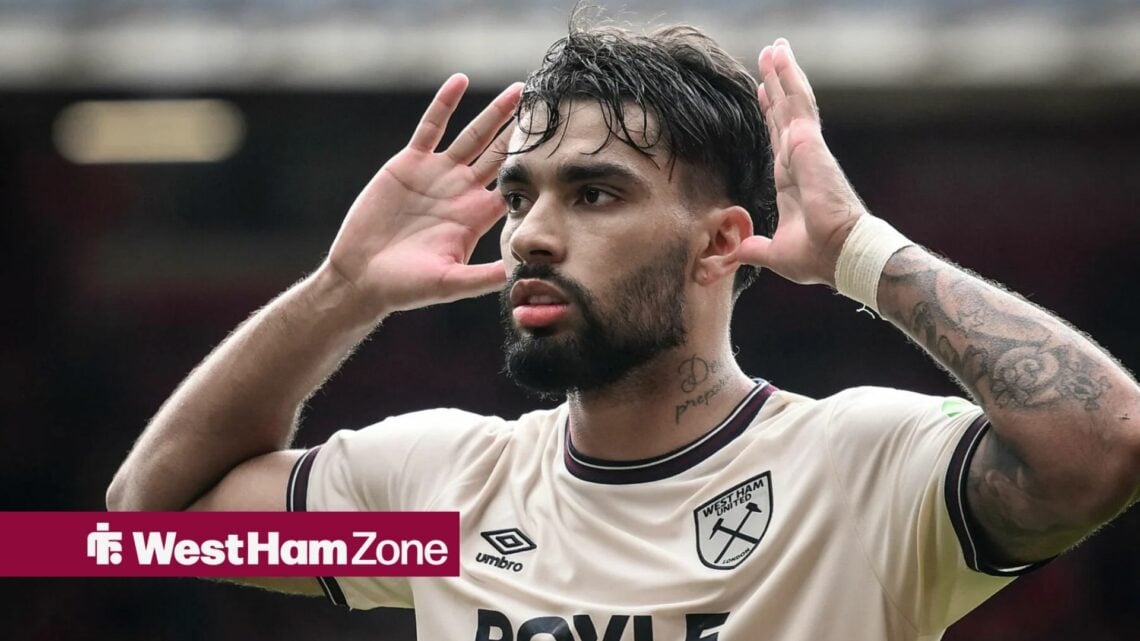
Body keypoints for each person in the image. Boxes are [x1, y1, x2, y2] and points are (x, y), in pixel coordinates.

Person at [107, 19, 1140, 641]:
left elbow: (1105, 449)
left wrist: (863, 253)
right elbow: (149, 522)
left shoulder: (859, 470)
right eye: (519, 196)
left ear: (721, 241)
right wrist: (342, 288)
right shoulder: (435, 494)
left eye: (594, 194)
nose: (534, 235)